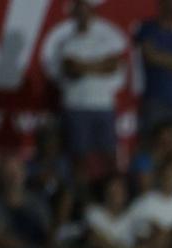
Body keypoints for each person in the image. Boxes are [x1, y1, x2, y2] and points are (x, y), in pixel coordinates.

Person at [51, 0, 126, 170]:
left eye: (86, 12)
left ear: (93, 14)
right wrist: (98, 65)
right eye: (79, 12)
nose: (83, 16)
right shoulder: (65, 42)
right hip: (76, 106)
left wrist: (83, 66)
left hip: (103, 106)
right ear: (73, 15)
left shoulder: (105, 40)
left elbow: (113, 65)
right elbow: (71, 69)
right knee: (79, 158)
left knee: (108, 157)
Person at [133, 0, 172, 147]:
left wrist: (161, 57)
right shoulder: (148, 29)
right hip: (155, 100)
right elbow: (149, 56)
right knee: (150, 150)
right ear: (162, 4)